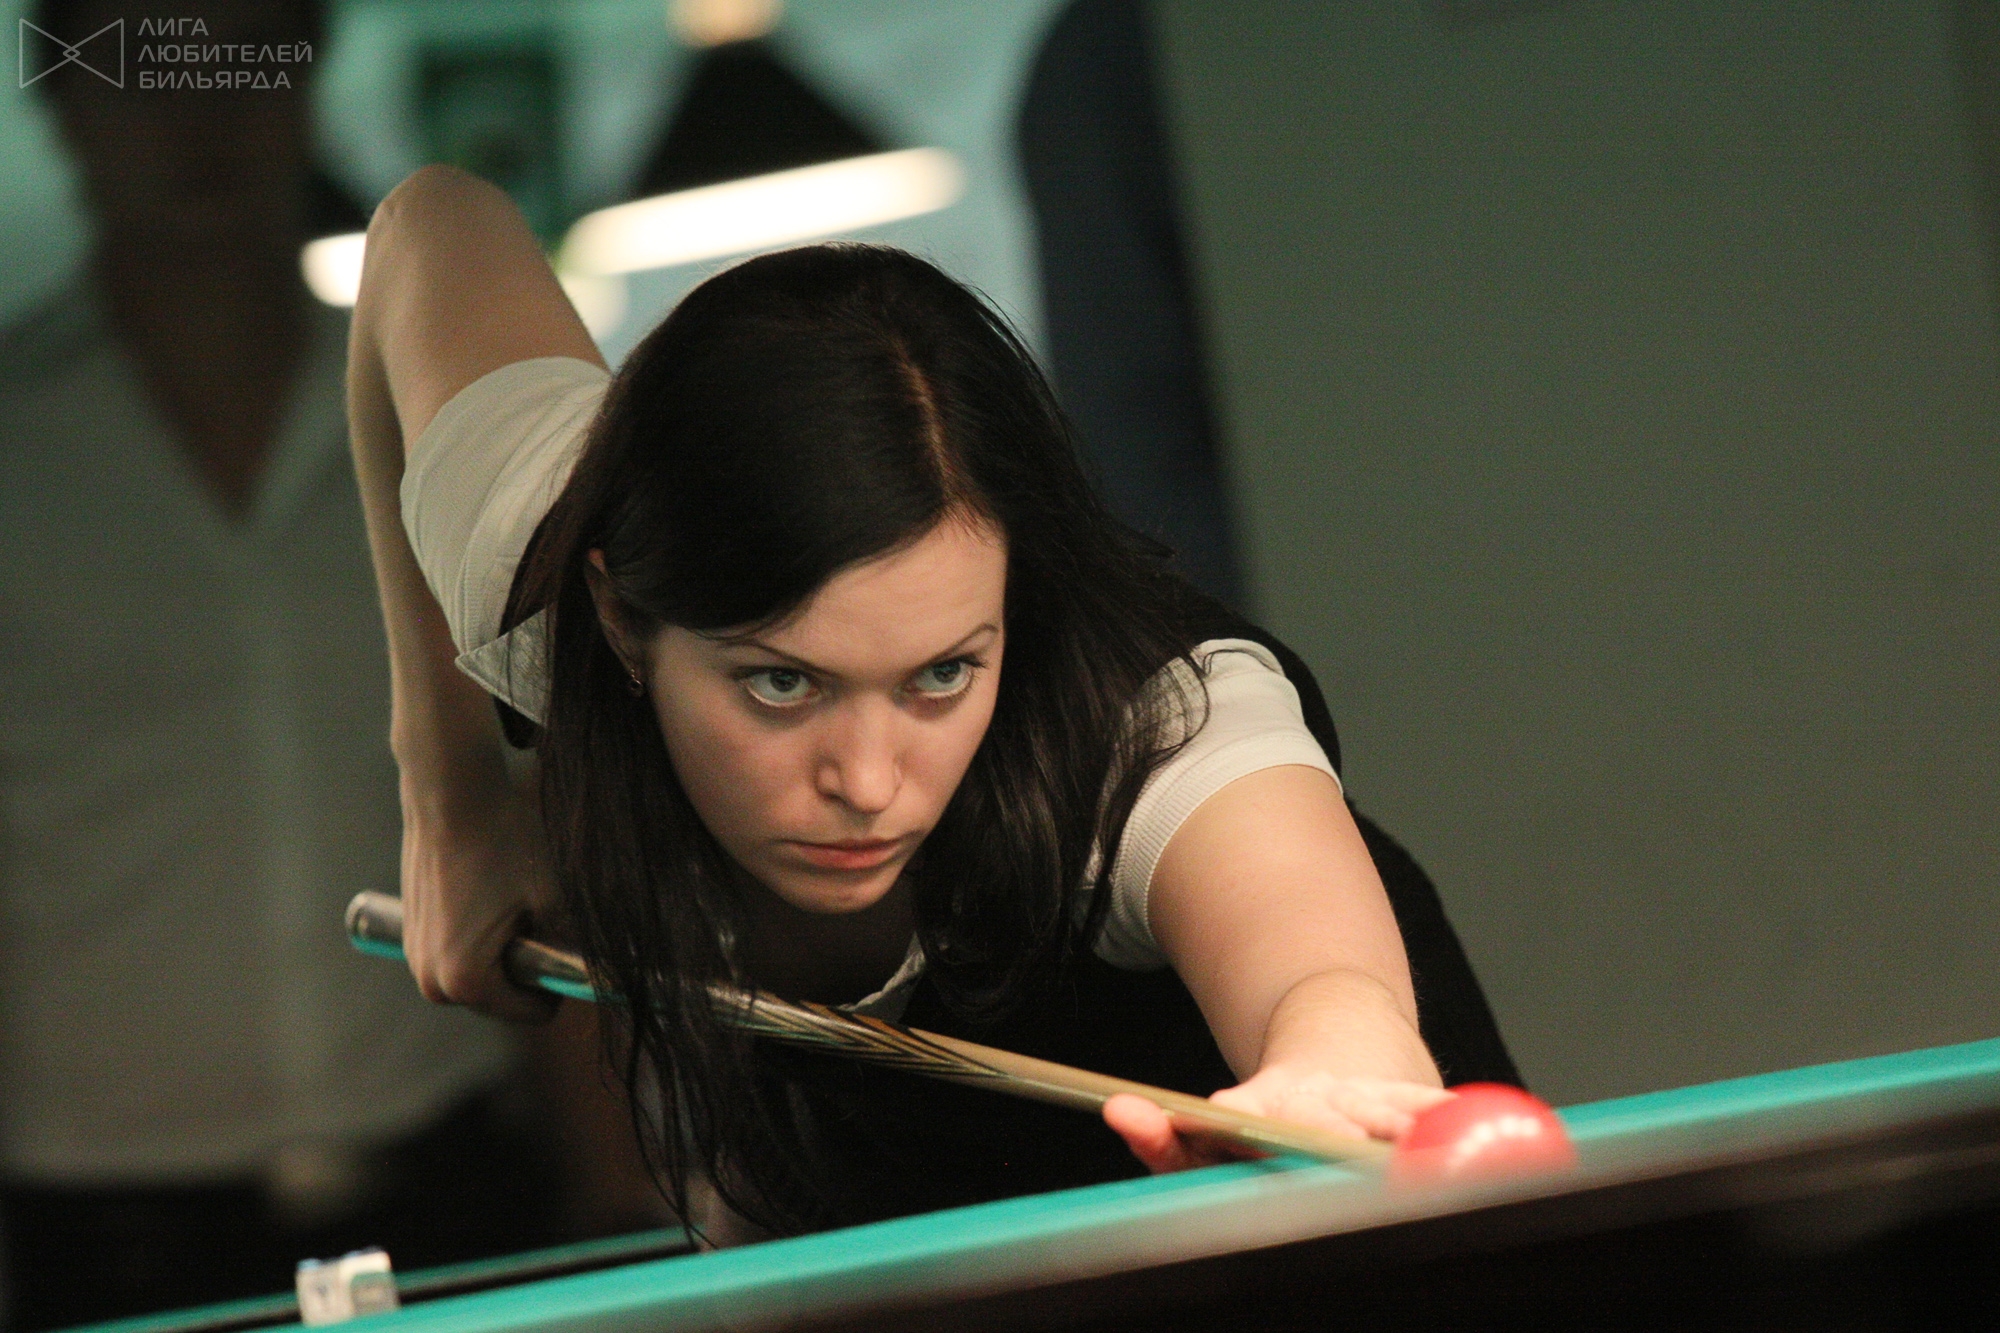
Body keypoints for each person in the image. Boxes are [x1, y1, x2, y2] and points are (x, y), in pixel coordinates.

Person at [348, 164, 1518, 1238]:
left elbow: (1322, 982)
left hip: (1314, 1185)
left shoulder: (1153, 725)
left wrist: (1334, 1074)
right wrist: (452, 799)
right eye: (781, 682)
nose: (866, 783)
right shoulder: (546, 579)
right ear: (622, 620)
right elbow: (421, 229)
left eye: (942, 674)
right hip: (855, 1148)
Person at [0, 5, 655, 1327]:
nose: (198, 110)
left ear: (305, 62)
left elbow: (556, 800)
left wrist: (624, 1184)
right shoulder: (19, 455)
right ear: (59, 90)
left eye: (238, 49)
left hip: (466, 1177)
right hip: (100, 1231)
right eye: (142, 59)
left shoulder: (430, 422)